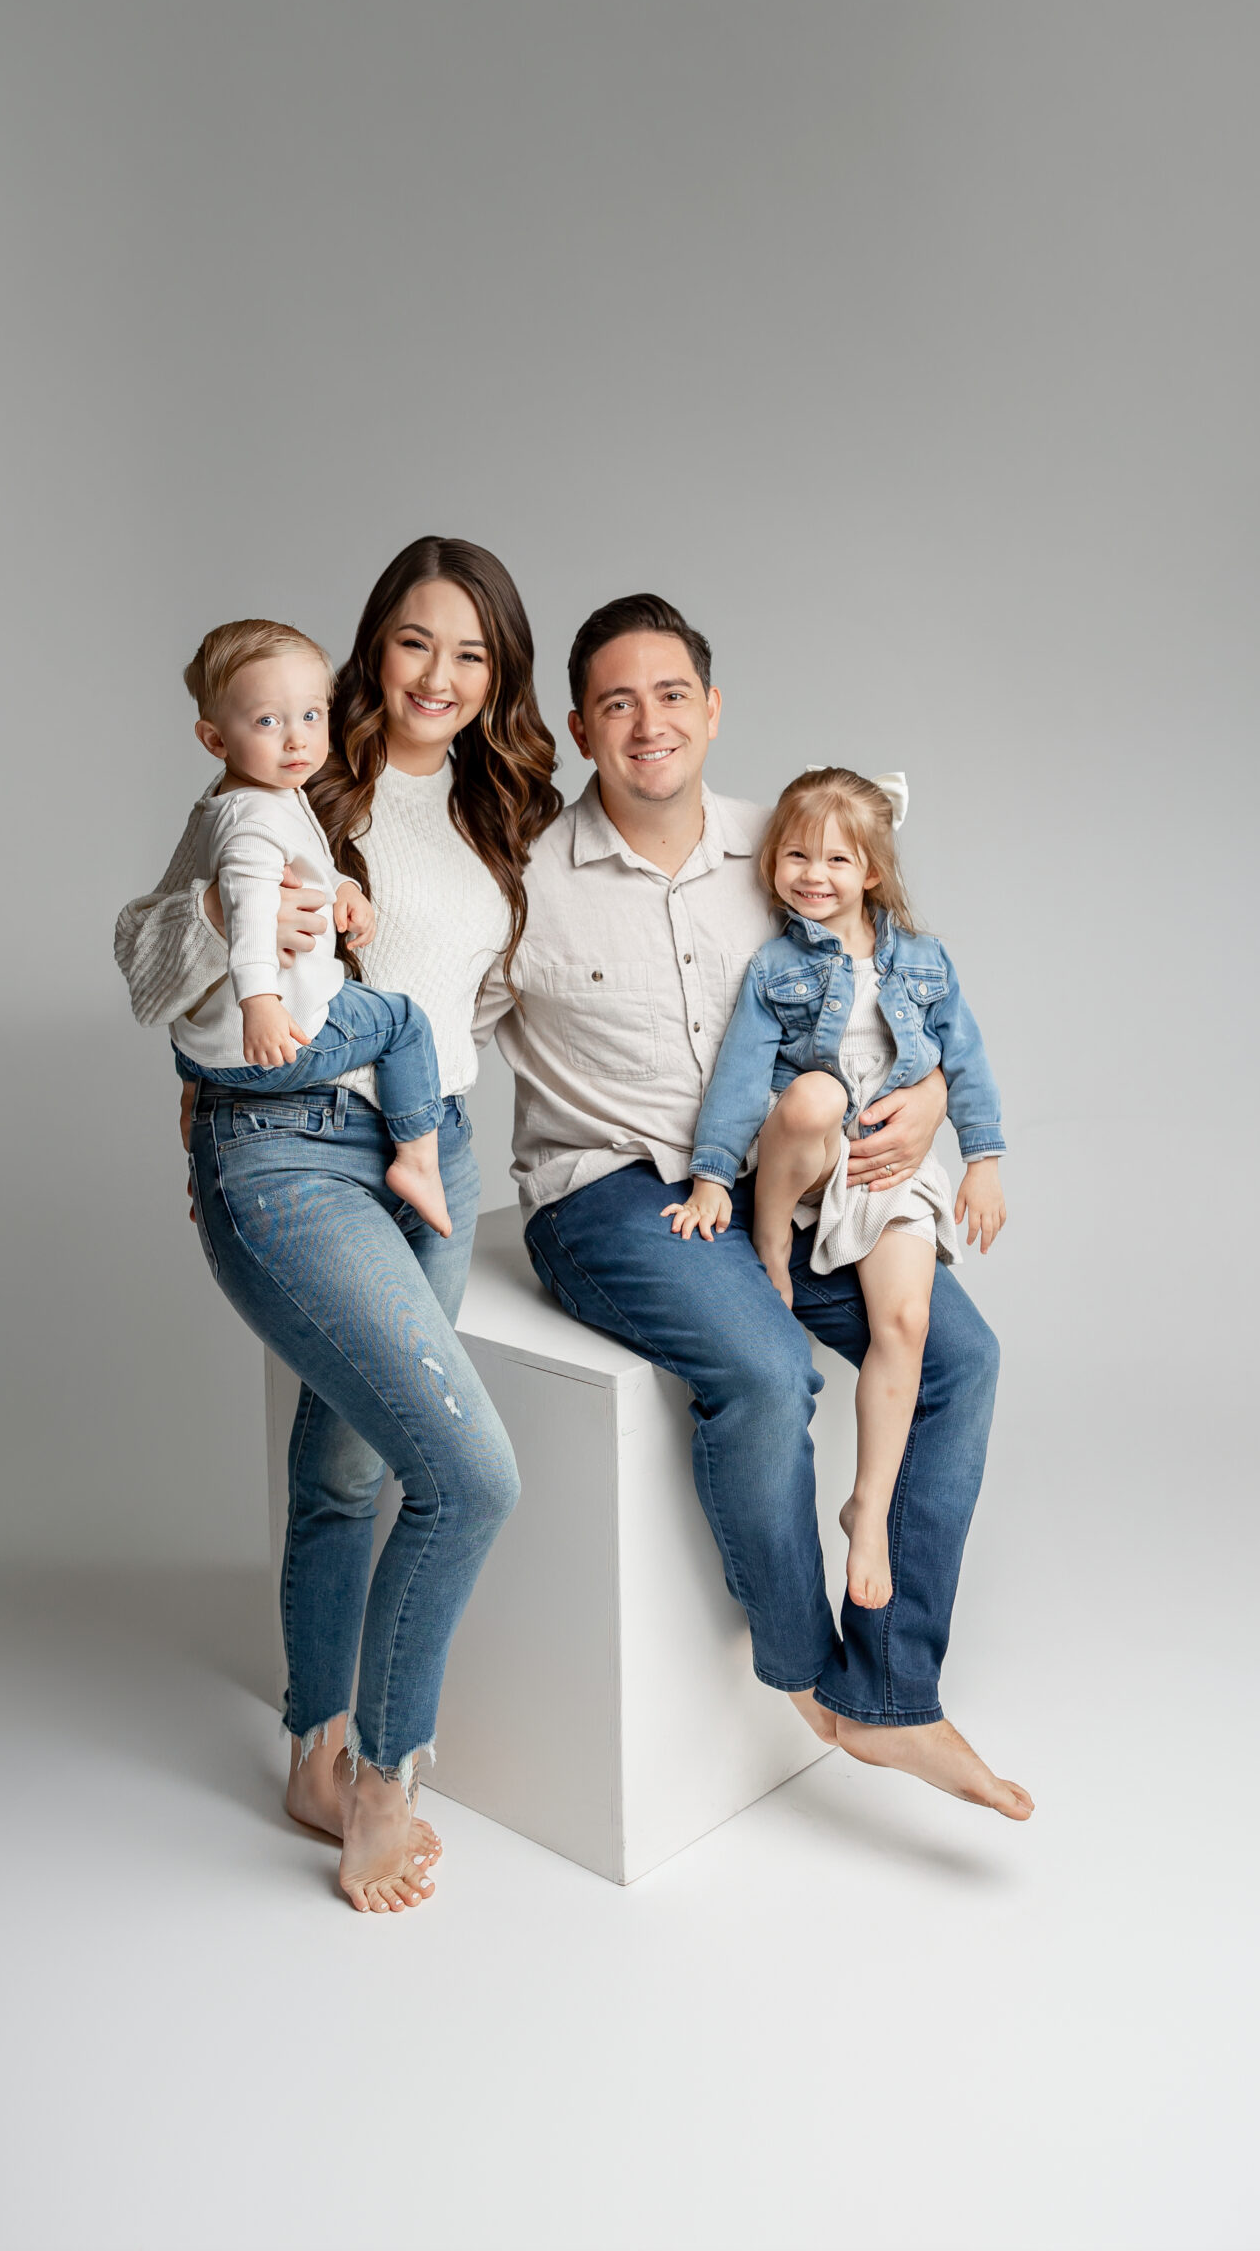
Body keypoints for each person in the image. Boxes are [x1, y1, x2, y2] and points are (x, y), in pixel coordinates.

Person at [480, 595, 1032, 1821]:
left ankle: (896, 1693)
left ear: (713, 709)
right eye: (616, 702)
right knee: (772, 1371)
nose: (648, 722)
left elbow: (912, 1000)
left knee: (963, 1360)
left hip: (790, 1183)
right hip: (613, 1192)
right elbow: (424, 1028)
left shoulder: (788, 846)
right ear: (580, 726)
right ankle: (813, 1684)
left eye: (671, 693)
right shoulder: (521, 883)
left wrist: (938, 1096)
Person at [114, 539, 562, 1909]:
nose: (438, 675)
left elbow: (483, 1007)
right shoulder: (293, 774)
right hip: (293, 1153)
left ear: (500, 679)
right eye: (415, 642)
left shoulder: (509, 813)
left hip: (436, 1150)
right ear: (373, 646)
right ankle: (380, 1781)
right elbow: (147, 964)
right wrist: (213, 1021)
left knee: (346, 1472)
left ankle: (310, 1752)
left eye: (471, 654)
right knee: (468, 1476)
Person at [663, 765, 1008, 1611]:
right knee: (813, 1093)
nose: (811, 875)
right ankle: (773, 1241)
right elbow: (742, 1077)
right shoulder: (776, 967)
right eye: (793, 856)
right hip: (806, 1160)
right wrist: (712, 1176)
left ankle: (869, 1507)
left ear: (872, 873)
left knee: (908, 1322)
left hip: (884, 1171)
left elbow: (964, 1061)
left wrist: (985, 1160)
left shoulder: (924, 965)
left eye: (834, 861)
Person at [170, 616, 452, 1238]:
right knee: (404, 1022)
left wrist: (345, 889)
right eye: (268, 721)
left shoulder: (263, 794)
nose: (297, 740)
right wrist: (262, 1005)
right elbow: (246, 922)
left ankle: (198, 1104)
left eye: (312, 715)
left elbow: (311, 860)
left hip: (205, 1047)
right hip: (275, 1036)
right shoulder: (251, 825)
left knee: (203, 1034)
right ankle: (419, 1162)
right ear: (215, 740)